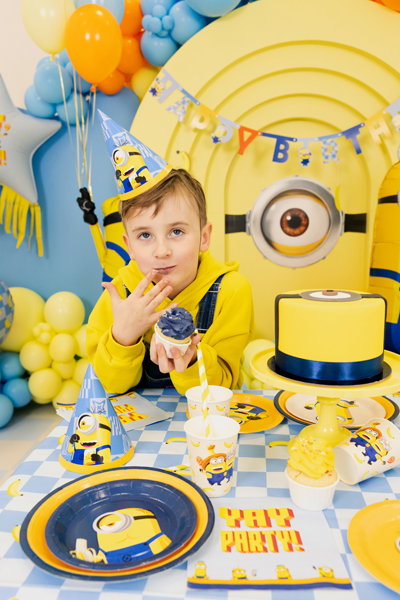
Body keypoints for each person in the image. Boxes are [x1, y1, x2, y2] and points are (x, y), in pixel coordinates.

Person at [86, 112, 253, 395]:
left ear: (204, 237)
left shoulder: (231, 291)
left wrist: (191, 358)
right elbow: (109, 386)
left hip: (203, 418)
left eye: (176, 231)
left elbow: (225, 384)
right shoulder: (121, 295)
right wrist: (123, 337)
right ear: (129, 246)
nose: (162, 251)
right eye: (145, 235)